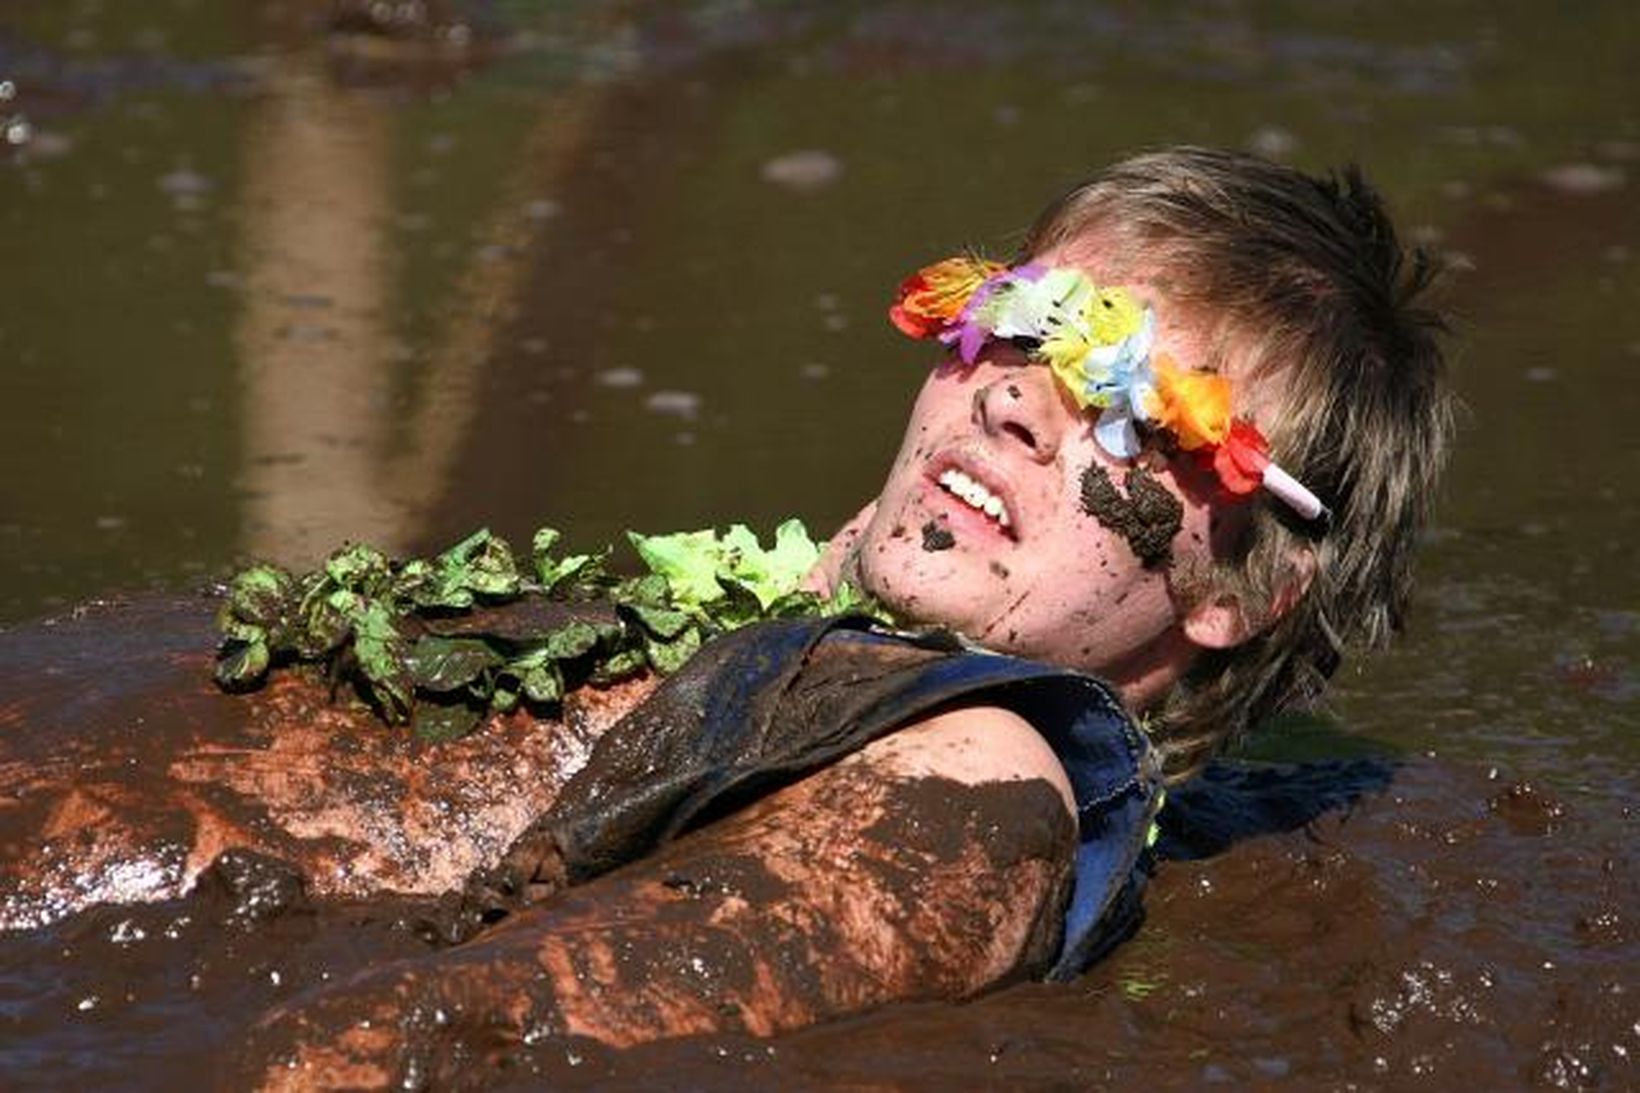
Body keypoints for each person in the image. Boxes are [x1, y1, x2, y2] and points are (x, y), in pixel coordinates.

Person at [0, 147, 1453, 1086]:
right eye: (1024, 321)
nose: (1020, 392)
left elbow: (428, 1051)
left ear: (1242, 590)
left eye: (1132, 406)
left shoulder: (982, 780)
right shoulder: (789, 611)